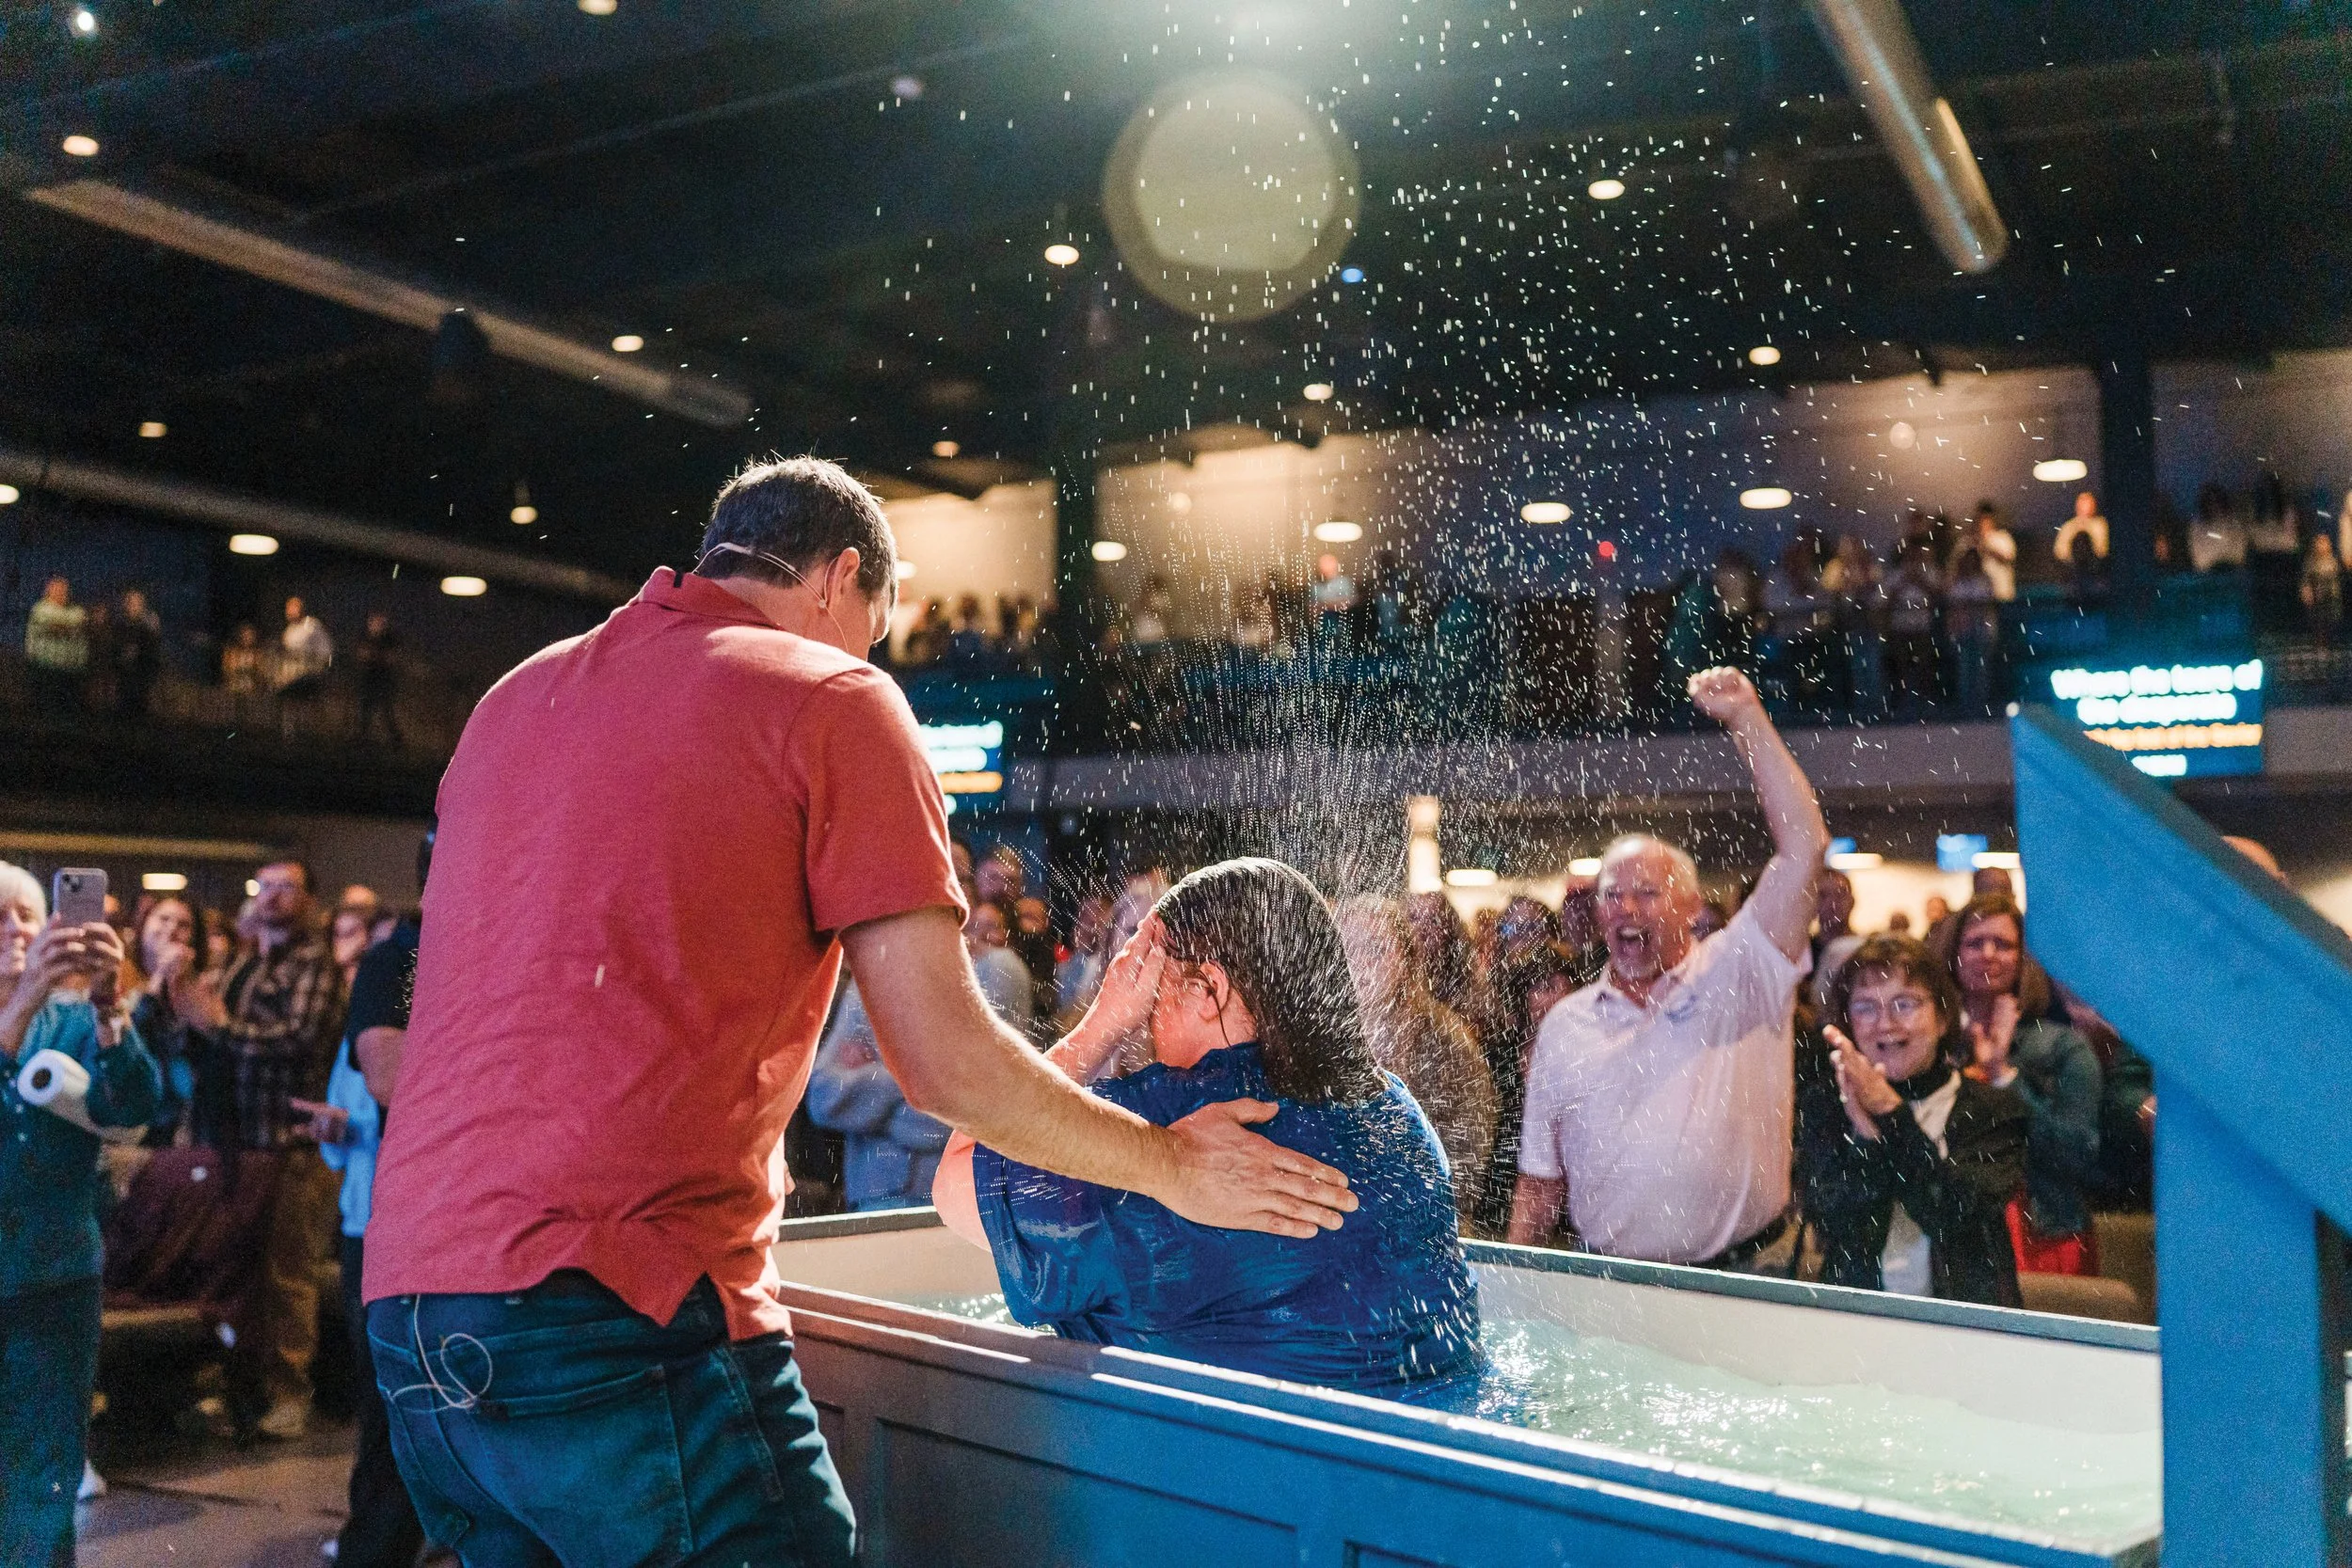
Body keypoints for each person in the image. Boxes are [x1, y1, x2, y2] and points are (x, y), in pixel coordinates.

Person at [363, 456, 1355, 1568]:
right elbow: (943, 1064)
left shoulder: (514, 698)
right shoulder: (830, 693)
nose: (869, 658)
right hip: (616, 1295)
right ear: (842, 579)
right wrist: (1175, 1164)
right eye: (875, 631)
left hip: (412, 1308)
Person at [933, 860, 1481, 1403]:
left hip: (1218, 1473)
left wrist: (1103, 1021)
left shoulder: (1162, 1120)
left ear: (1208, 989)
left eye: (1153, 984)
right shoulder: (1394, 1106)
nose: (1145, 1013)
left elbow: (958, 1173)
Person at [1510, 666, 1829, 1269]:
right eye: (1612, 894)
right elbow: (1539, 1183)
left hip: (1749, 1278)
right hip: (1615, 1292)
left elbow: (1805, 846)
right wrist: (1511, 1289)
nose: (1627, 909)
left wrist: (1747, 721)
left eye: (1649, 893)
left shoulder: (1741, 972)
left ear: (1690, 905)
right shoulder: (1564, 1026)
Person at [0, 862, 159, 1568]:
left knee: (45, 1470)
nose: (15, 931)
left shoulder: (71, 1020)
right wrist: (22, 1002)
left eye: (28, 917)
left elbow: (133, 1104)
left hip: (53, 1274)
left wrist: (106, 1004)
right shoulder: (36, 1009)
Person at [173, 859, 348, 1437]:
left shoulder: (315, 963)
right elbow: (203, 1034)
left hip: (292, 1146)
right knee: (241, 1276)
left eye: (287, 888)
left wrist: (219, 1027)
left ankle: (290, 1395)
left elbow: (299, 1041)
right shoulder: (243, 964)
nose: (272, 897)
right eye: (265, 886)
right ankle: (241, 1393)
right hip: (238, 1145)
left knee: (288, 1280)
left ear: (310, 901)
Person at [294, 838, 427, 1568]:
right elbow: (382, 1083)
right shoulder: (395, 963)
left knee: (410, 1405)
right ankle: (373, 1548)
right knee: (389, 1405)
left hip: (399, 1216)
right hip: (378, 1218)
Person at [1799, 934, 2029, 1305]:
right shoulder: (1827, 1106)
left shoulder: (1994, 1110)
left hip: (1964, 1330)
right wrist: (1864, 1137)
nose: (1886, 1024)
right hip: (1859, 1327)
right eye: (1865, 1007)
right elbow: (1835, 1224)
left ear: (1942, 1019)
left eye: (1904, 1004)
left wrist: (1891, 1116)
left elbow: (1948, 1213)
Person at [1931, 893, 2104, 1276]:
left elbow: (2078, 1156)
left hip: (2043, 1232)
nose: (1988, 954)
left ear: (2023, 958)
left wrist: (2002, 1076)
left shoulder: (2063, 1045)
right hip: (1953, 1229)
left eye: (2004, 944)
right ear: (1954, 954)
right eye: (1974, 943)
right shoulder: (1934, 1045)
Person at [1335, 895, 1497, 1220]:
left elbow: (1465, 1157)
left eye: (1376, 948)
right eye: (1347, 947)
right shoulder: (1319, 1035)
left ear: (1406, 959)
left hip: (1421, 1226)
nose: (1359, 962)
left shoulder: (1446, 1042)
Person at [806, 979, 952, 1212]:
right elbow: (822, 1098)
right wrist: (920, 1080)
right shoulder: (866, 984)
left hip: (952, 1198)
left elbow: (962, 1119)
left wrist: (867, 1092)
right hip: (872, 1200)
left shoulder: (990, 970)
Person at [965, 901, 1037, 1034]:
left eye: (991, 927)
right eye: (975, 927)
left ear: (1008, 933)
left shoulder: (1003, 959)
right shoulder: (980, 964)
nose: (981, 934)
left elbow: (985, 1023)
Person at [24, 577, 88, 713]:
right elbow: (54, 625)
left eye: (63, 589)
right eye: (57, 589)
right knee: (45, 706)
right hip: (45, 666)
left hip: (70, 670)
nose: (61, 593)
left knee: (67, 709)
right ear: (49, 590)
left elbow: (81, 622)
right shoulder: (40, 609)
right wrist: (69, 625)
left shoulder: (76, 611)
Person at [354, 610, 404, 746]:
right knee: (365, 710)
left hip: (384, 680)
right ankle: (363, 739)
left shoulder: (390, 638)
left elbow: (392, 658)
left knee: (386, 711)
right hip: (368, 679)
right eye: (373, 621)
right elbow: (361, 655)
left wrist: (375, 656)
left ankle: (395, 740)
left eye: (379, 621)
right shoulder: (364, 637)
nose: (376, 624)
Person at [112, 588, 164, 719]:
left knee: (140, 701)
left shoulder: (149, 622)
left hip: (142, 669)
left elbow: (153, 647)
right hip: (125, 670)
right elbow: (115, 646)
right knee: (124, 700)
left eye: (137, 602)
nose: (134, 606)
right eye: (131, 602)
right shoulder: (121, 623)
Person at [1966, 501, 2017, 602]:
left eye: (1986, 518)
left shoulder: (2003, 538)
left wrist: (1988, 548)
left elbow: (2008, 558)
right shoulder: (1969, 540)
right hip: (1978, 595)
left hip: (2001, 592)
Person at [2301, 533, 2343, 648]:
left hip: (2330, 596)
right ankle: (2319, 641)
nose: (2322, 545)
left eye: (2325, 542)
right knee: (2318, 620)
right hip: (2317, 595)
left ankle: (2330, 640)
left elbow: (2335, 579)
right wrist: (2307, 591)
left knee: (2330, 619)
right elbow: (2306, 579)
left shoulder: (2333, 560)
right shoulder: (2310, 562)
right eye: (2320, 542)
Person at [2053, 491, 2109, 565]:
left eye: (2087, 502)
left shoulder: (2101, 524)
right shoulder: (2068, 527)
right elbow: (2060, 552)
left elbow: (2103, 550)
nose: (2084, 505)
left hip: (2098, 567)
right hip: (2072, 568)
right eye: (2082, 502)